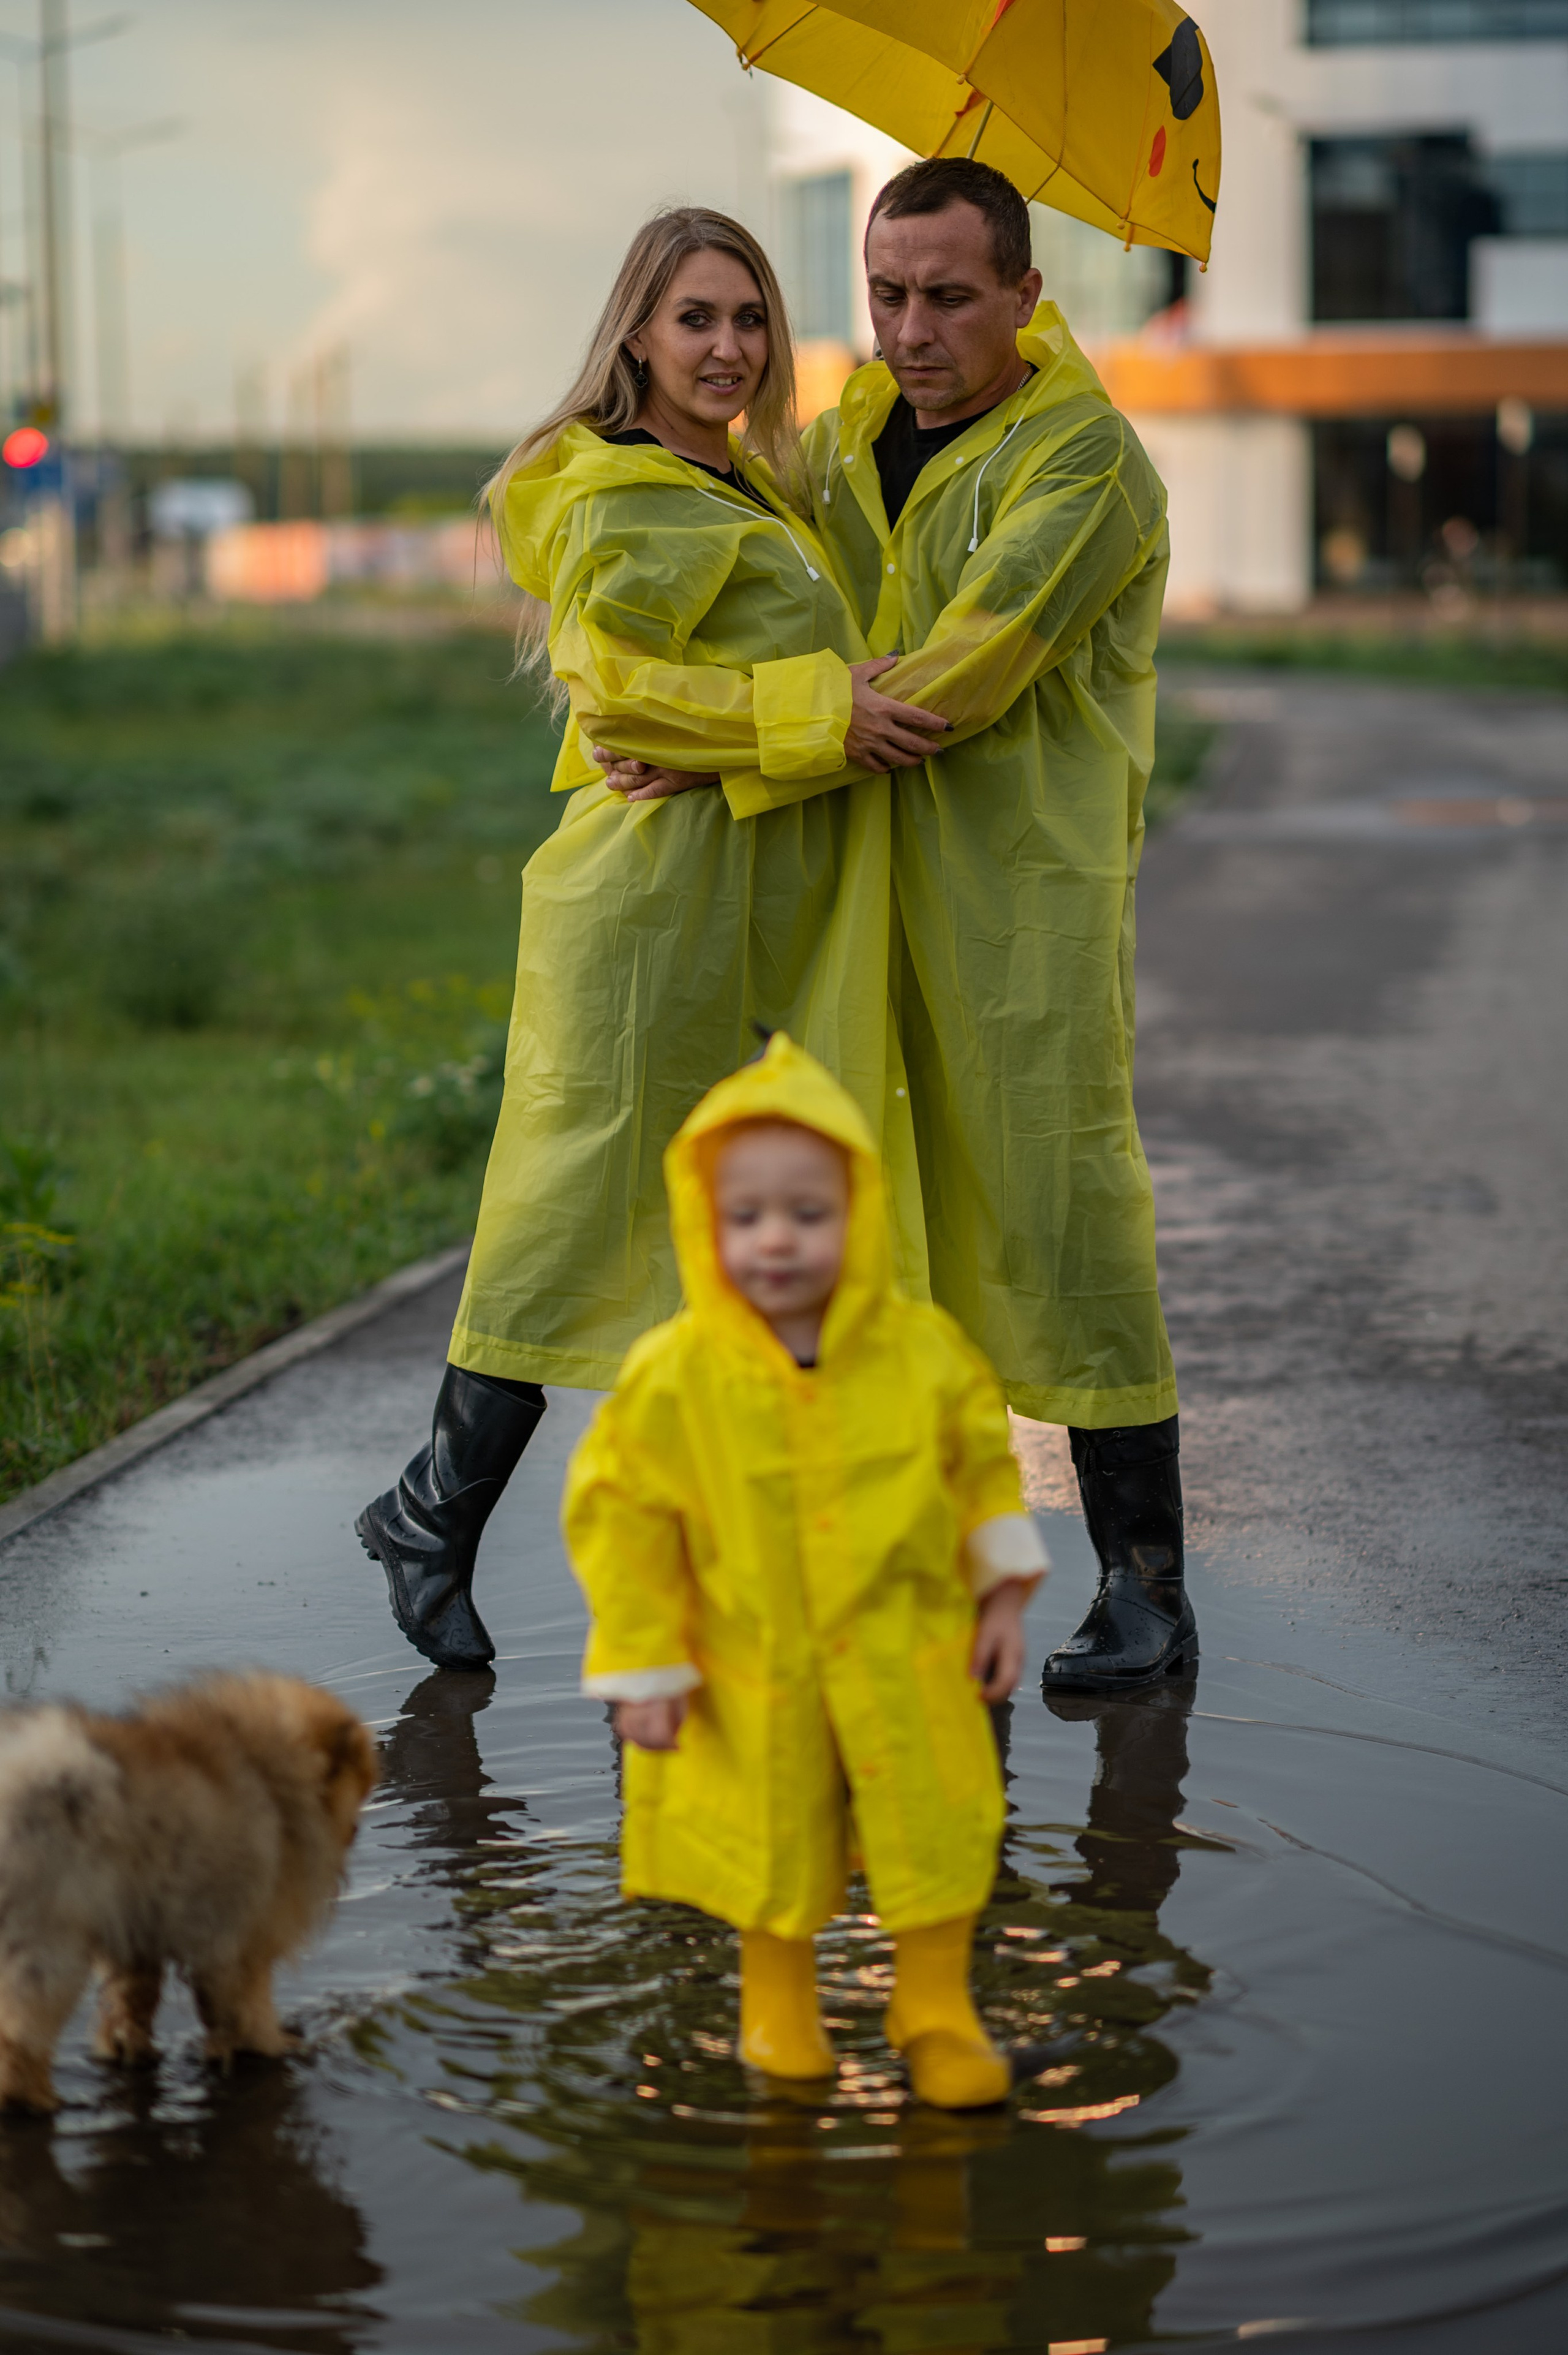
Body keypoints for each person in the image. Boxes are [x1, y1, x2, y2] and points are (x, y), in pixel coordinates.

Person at [597, 160, 1194, 1697]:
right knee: (884, 1227)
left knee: (1062, 1214)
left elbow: (957, 675)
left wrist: (729, 737)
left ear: (1024, 298)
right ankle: (912, 1553)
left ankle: (1143, 1583)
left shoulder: (1086, 463)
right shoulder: (859, 429)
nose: (907, 327)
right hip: (861, 893)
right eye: (883, 293)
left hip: (1020, 911)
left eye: (943, 296)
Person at [355, 208, 948, 1673]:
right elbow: (615, 691)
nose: (728, 346)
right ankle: (432, 1510)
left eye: (748, 318)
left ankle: (715, 1573)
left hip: (744, 902)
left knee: (723, 1246)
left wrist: (765, 718)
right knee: (570, 1215)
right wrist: (818, 715)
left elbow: (714, 682)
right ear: (634, 332)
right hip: (648, 907)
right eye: (695, 318)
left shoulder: (742, 479)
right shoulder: (621, 488)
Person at [562, 1033, 1051, 2107]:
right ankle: (777, 2009)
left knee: (937, 1823)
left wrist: (1003, 1596)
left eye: (809, 1213)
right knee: (769, 1837)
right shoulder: (674, 1377)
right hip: (753, 1663)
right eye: (747, 1217)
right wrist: (644, 1664)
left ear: (860, 1214)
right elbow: (620, 1519)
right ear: (706, 1222)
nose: (776, 1241)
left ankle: (933, 2007)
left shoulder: (923, 1354)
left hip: (905, 1649)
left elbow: (978, 1470)